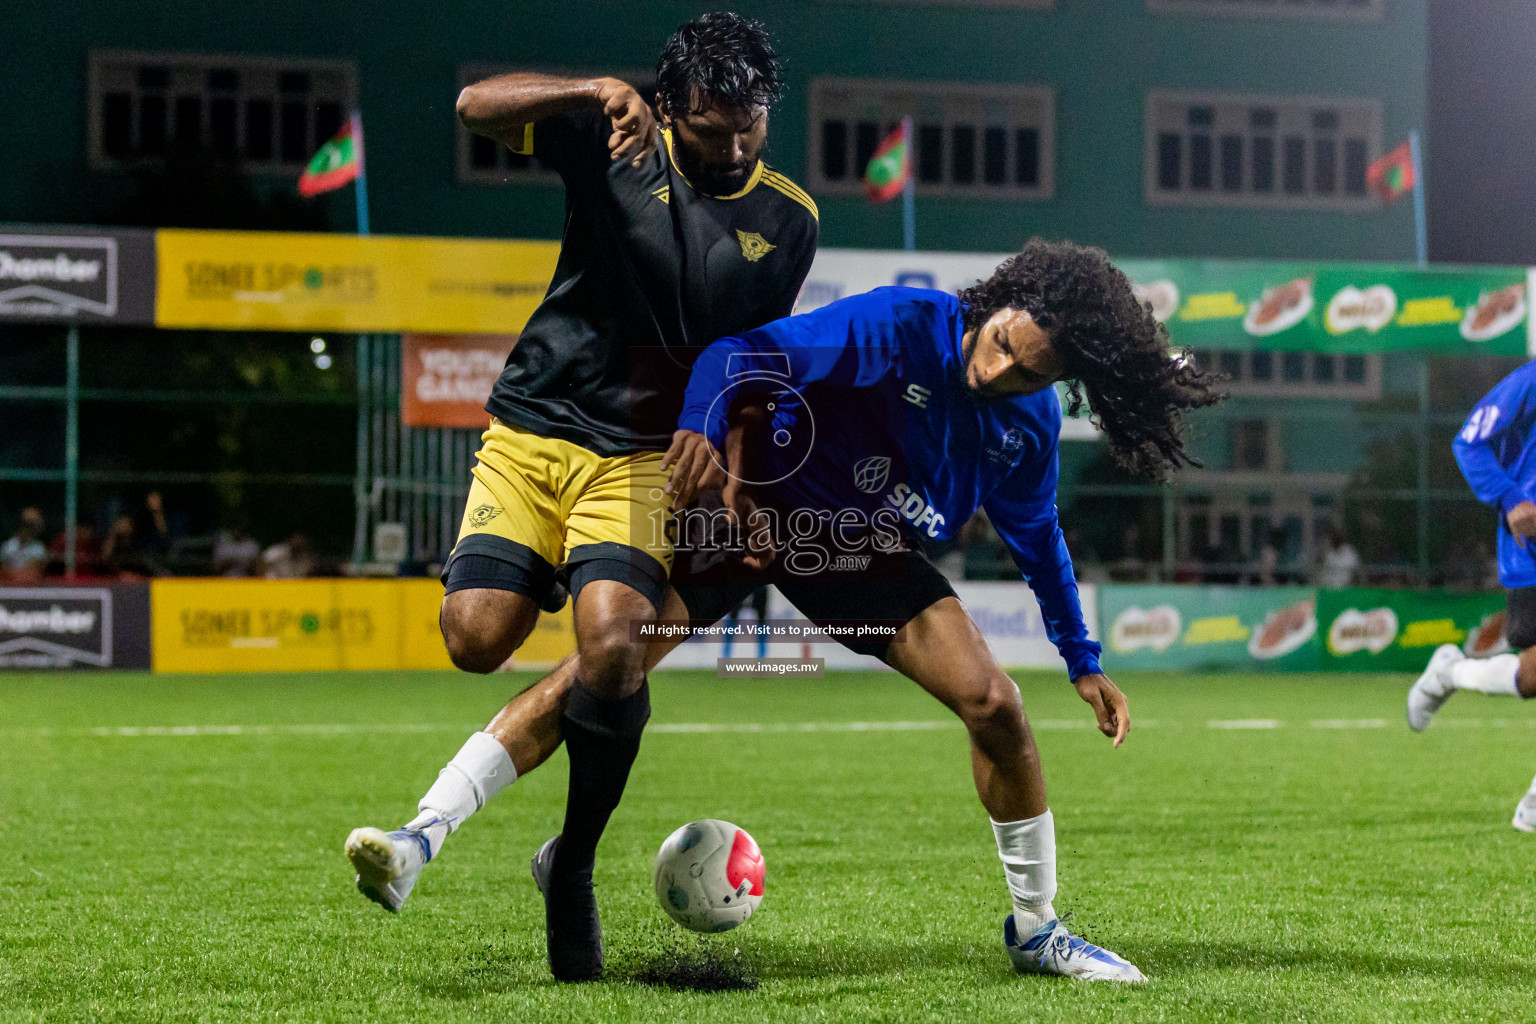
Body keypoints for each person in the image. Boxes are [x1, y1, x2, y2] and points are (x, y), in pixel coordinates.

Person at [347, 240, 1222, 984]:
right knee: (606, 667)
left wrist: (1082, 658)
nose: (996, 369)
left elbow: (1040, 539)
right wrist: (703, 433)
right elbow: (741, 355)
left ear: (1062, 378)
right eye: (1000, 344)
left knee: (995, 703)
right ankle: (423, 835)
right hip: (749, 511)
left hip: (856, 555)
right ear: (997, 304)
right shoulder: (901, 326)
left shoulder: (1023, 428)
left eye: (1030, 369)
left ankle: (1037, 932)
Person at [345, 12, 818, 983]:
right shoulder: (613, 141)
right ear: (669, 108)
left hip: (641, 457)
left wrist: (735, 468)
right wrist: (589, 89)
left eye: (749, 126)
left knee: (614, 646)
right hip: (531, 428)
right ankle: (508, 843)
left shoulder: (792, 220)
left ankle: (575, 864)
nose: (731, 148)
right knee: (474, 636)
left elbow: (750, 358)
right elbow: (475, 107)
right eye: (708, 127)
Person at [1408, 363, 1536, 830]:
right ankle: (1450, 672)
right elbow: (1468, 441)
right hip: (1530, 553)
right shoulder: (1530, 382)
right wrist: (1510, 499)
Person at [1, 508, 47, 583]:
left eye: (30, 526)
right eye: (25, 525)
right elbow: (2, 572)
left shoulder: (38, 548)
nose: (26, 529)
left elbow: (32, 574)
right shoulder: (7, 546)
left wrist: (10, 575)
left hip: (29, 589)